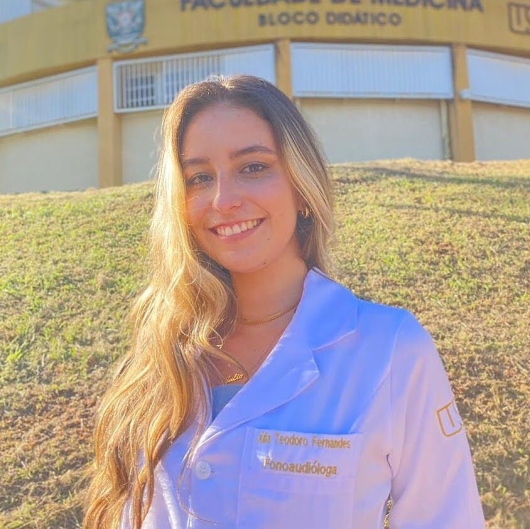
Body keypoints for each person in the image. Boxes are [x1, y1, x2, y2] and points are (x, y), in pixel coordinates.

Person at [84, 74, 485, 529]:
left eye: (253, 167)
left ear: (302, 187)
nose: (223, 199)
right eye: (199, 177)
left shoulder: (390, 349)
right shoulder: (161, 350)